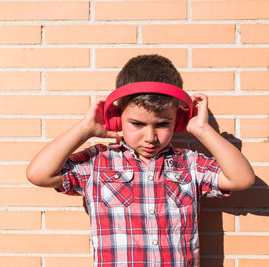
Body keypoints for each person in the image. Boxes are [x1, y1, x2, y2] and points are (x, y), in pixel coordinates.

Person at [26, 54, 255, 266]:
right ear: (117, 118)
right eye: (137, 124)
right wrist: (85, 128)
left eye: (163, 124)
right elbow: (39, 174)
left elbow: (241, 179)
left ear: (179, 120)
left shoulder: (189, 163)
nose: (150, 137)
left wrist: (202, 129)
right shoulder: (97, 163)